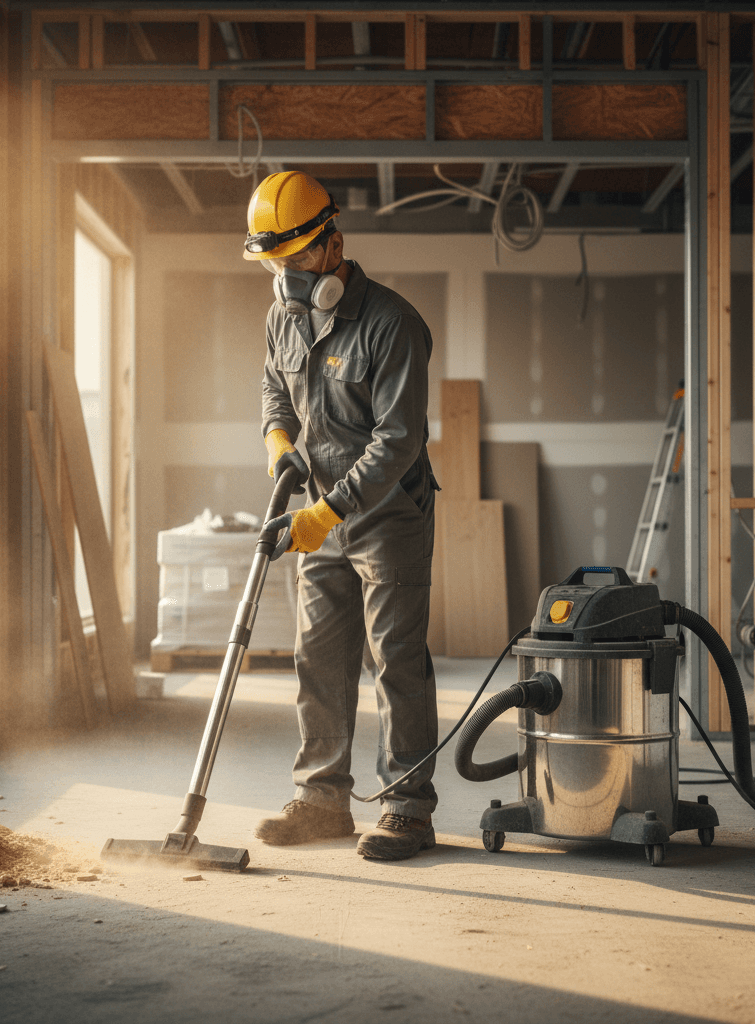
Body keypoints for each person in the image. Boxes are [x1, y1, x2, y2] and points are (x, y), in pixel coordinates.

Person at [245, 170, 440, 862]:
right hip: (319, 510)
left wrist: (325, 515)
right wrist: (280, 448)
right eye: (274, 263)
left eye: (295, 260)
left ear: (333, 244)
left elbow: (398, 441)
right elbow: (275, 389)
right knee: (320, 660)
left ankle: (408, 809)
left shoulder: (393, 323)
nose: (286, 277)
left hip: (388, 515)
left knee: (397, 663)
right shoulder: (282, 318)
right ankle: (323, 802)